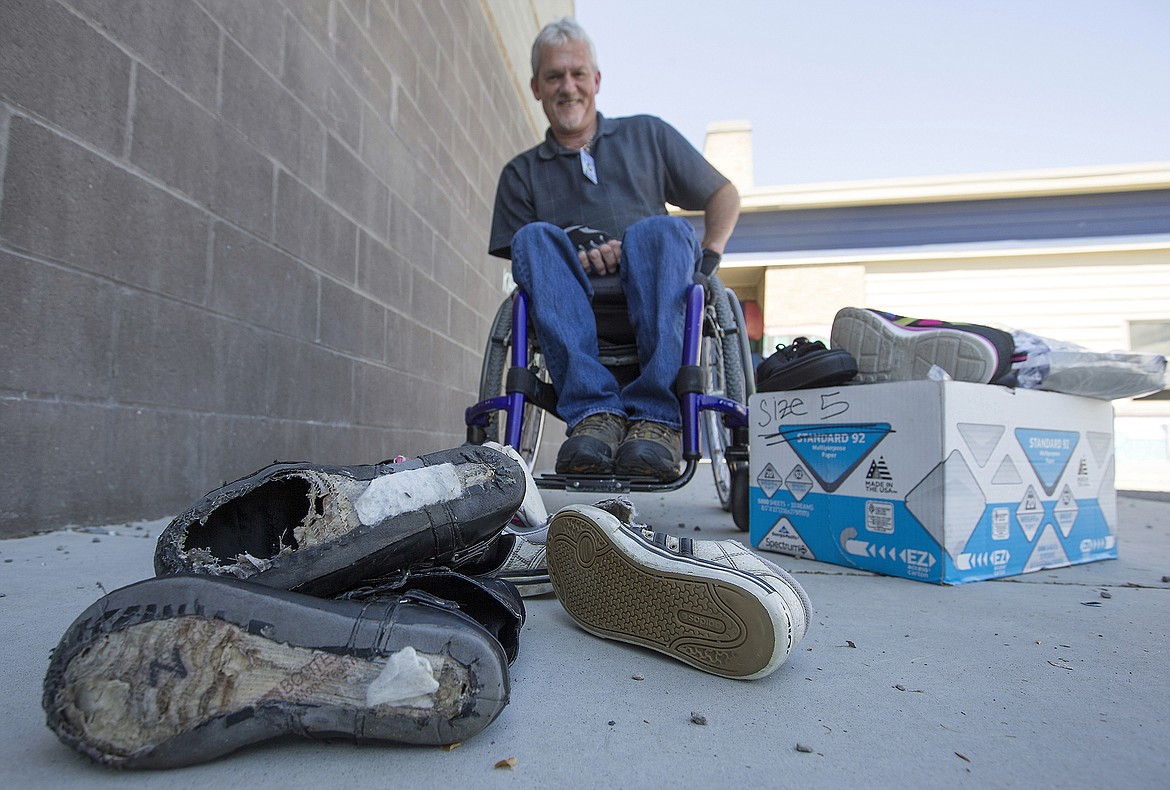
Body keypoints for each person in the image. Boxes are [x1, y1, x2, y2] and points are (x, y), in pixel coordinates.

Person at [489, 17, 740, 481]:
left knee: (657, 233)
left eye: (578, 74)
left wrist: (707, 261)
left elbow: (723, 194)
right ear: (536, 88)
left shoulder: (647, 134)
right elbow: (531, 266)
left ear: (596, 80)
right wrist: (576, 256)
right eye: (554, 77)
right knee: (535, 238)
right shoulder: (520, 174)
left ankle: (656, 419)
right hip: (574, 317)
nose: (568, 87)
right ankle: (593, 415)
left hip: (659, 299)